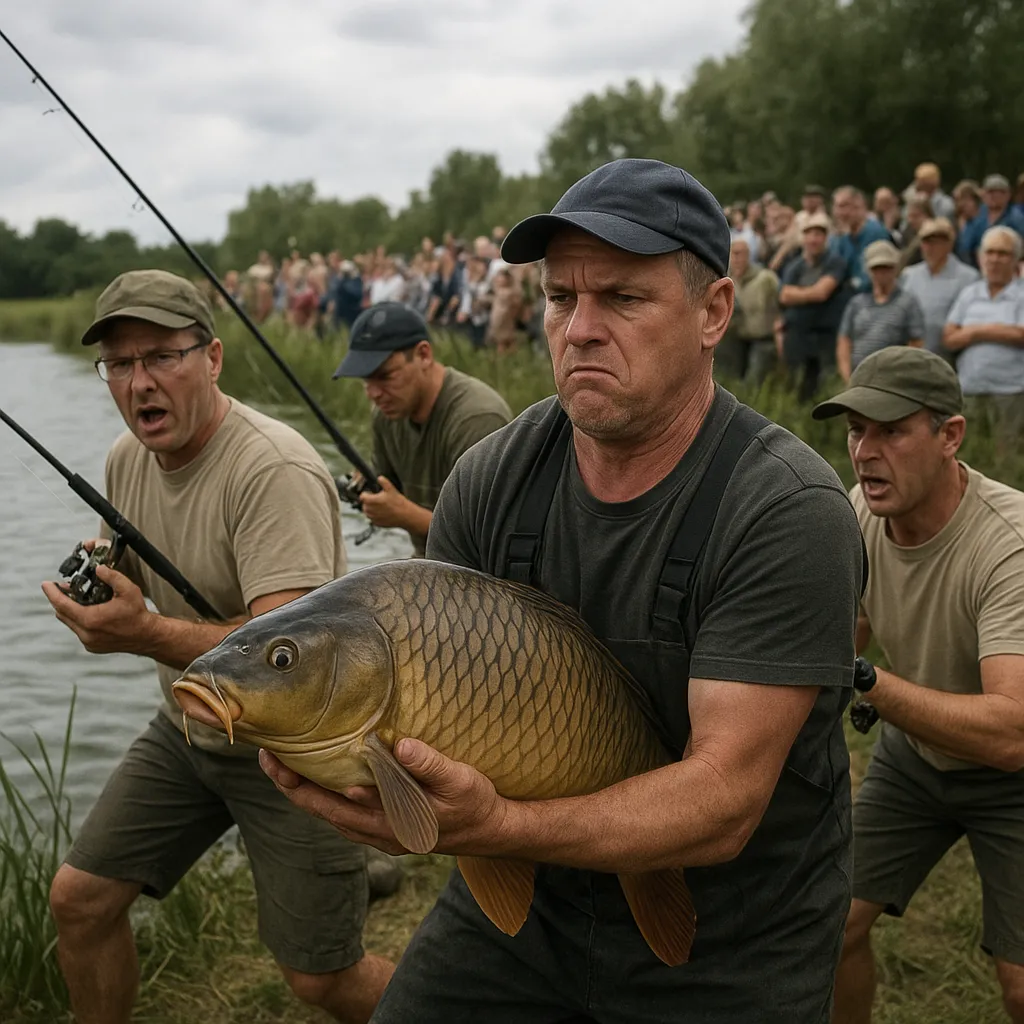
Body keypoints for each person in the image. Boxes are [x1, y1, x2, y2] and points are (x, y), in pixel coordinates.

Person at [263, 158, 866, 1023]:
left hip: (735, 925)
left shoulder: (784, 508)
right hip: (526, 910)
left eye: (622, 298)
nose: (580, 328)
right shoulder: (490, 480)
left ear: (713, 313)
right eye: (559, 298)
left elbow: (725, 803)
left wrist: (497, 827)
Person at [43, 270, 394, 1024]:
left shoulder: (273, 467)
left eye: (163, 357)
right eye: (121, 365)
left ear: (212, 357)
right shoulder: (124, 459)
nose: (140, 383)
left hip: (298, 751)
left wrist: (144, 633)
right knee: (79, 902)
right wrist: (106, 577)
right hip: (189, 729)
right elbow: (135, 558)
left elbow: (287, 657)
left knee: (323, 978)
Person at [811, 347, 1024, 1024]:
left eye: (891, 431)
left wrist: (867, 683)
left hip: (1012, 778)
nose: (866, 452)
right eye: (855, 432)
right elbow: (857, 626)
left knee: (1019, 986)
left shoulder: (1007, 545)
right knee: (833, 926)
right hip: (916, 758)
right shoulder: (861, 511)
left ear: (950, 436)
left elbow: (1010, 734)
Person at [332, 302, 512, 557]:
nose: (373, 394)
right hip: (427, 565)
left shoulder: (476, 418)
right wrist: (368, 489)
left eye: (385, 376)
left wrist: (405, 516)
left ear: (424, 355)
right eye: (366, 381)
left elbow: (486, 539)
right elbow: (390, 489)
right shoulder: (386, 415)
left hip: (481, 578)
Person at [943, 226, 1024, 452]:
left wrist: (974, 332)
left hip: (1011, 392)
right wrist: (999, 330)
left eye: (1003, 253)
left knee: (1007, 454)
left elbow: (1021, 335)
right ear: (980, 257)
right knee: (971, 452)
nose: (995, 259)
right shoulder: (970, 294)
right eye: (990, 252)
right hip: (970, 390)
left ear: (1016, 259)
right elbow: (949, 337)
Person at [779, 211, 849, 400]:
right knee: (796, 386)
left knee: (825, 387)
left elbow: (822, 293)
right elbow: (784, 296)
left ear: (825, 237)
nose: (813, 239)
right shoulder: (794, 266)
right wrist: (811, 292)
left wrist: (798, 294)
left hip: (825, 335)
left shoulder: (835, 262)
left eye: (818, 234)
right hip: (797, 334)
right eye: (809, 234)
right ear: (803, 238)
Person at [836, 240, 924, 381]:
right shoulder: (856, 303)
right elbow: (844, 341)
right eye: (876, 268)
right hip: (858, 378)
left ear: (895, 269)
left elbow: (916, 343)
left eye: (887, 268)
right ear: (869, 271)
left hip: (892, 379)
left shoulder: (908, 302)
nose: (882, 273)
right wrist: (847, 378)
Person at [899, 217, 979, 363]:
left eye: (937, 242)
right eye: (926, 242)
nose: (930, 247)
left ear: (949, 244)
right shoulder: (909, 274)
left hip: (950, 358)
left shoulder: (968, 277)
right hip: (911, 356)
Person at [719, 236, 780, 385]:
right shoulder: (726, 280)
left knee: (754, 382)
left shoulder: (765, 279)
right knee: (732, 380)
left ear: (748, 255)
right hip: (737, 339)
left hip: (762, 339)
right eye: (733, 253)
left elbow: (782, 303)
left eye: (741, 253)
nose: (737, 258)